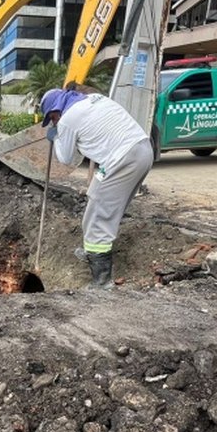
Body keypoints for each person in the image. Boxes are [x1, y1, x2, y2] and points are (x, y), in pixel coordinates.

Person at [41, 86, 154, 288]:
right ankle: (92, 252)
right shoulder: (94, 98)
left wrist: (56, 135)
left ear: (55, 112)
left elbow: (65, 158)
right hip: (143, 150)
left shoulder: (67, 120)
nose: (54, 122)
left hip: (123, 159)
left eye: (52, 119)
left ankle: (102, 282)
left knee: (100, 217)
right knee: (96, 198)